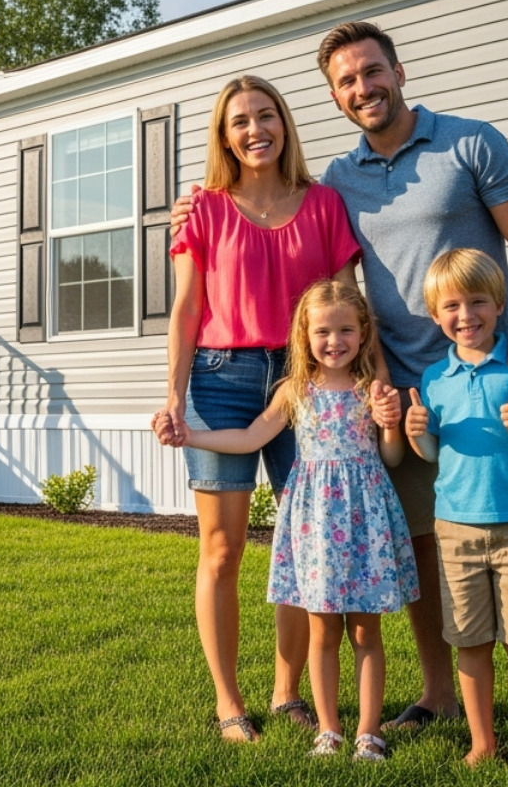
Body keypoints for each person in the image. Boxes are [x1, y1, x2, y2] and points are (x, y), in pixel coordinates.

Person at [170, 22, 508, 769]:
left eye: (371, 72)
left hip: (470, 383)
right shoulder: (339, 179)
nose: (362, 88)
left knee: (498, 537)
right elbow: (256, 255)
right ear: (334, 97)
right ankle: (434, 694)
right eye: (346, 81)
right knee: (422, 548)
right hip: (388, 387)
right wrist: (195, 206)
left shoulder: (468, 144)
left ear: (398, 69)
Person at [153, 75, 363, 742]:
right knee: (222, 547)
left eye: (266, 116)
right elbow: (187, 309)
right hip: (221, 377)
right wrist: (173, 394)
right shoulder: (205, 208)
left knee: (306, 543)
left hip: (306, 380)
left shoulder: (324, 203)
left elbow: (350, 302)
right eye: (240, 121)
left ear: (284, 123)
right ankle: (227, 702)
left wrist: (368, 382)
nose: (255, 131)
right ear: (225, 134)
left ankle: (286, 692)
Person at [157, 280, 418, 761]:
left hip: (365, 526)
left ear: (363, 333)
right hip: (315, 527)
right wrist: (190, 437)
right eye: (322, 331)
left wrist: (390, 424)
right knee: (322, 631)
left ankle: (368, 732)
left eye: (345, 330)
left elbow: (393, 457)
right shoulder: (294, 390)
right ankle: (329, 729)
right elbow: (251, 438)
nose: (334, 341)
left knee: (365, 632)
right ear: (305, 335)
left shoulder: (372, 390)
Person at [404, 248, 508, 780]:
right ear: (436, 316)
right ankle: (482, 741)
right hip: (455, 531)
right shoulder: (434, 379)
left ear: (500, 306)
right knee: (470, 643)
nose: (465, 314)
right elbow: (432, 453)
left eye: (477, 301)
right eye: (451, 305)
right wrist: (417, 434)